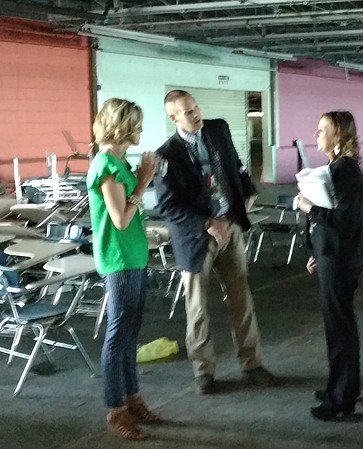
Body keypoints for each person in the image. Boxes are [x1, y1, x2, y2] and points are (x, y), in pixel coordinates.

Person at [154, 89, 275, 394]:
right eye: (189, 112)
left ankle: (252, 363)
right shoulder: (166, 155)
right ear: (173, 118)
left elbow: (235, 162)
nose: (197, 115)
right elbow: (168, 206)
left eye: (196, 108)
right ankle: (203, 372)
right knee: (197, 307)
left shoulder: (218, 129)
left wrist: (247, 189)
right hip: (195, 237)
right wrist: (207, 223)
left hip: (230, 226)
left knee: (241, 298)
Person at [87, 98, 160, 440]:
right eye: (137, 125)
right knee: (118, 335)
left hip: (132, 256)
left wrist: (139, 179)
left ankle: (131, 398)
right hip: (118, 258)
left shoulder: (119, 163)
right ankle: (115, 408)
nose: (141, 131)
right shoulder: (106, 165)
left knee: (130, 334)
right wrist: (143, 182)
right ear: (124, 127)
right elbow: (119, 219)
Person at [296, 110, 363, 421]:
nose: (315, 135)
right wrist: (318, 248)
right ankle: (339, 388)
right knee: (336, 325)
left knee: (340, 327)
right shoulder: (335, 167)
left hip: (341, 259)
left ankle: (341, 398)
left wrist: (308, 207)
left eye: (322, 129)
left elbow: (344, 220)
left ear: (339, 135)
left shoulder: (345, 170)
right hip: (333, 255)